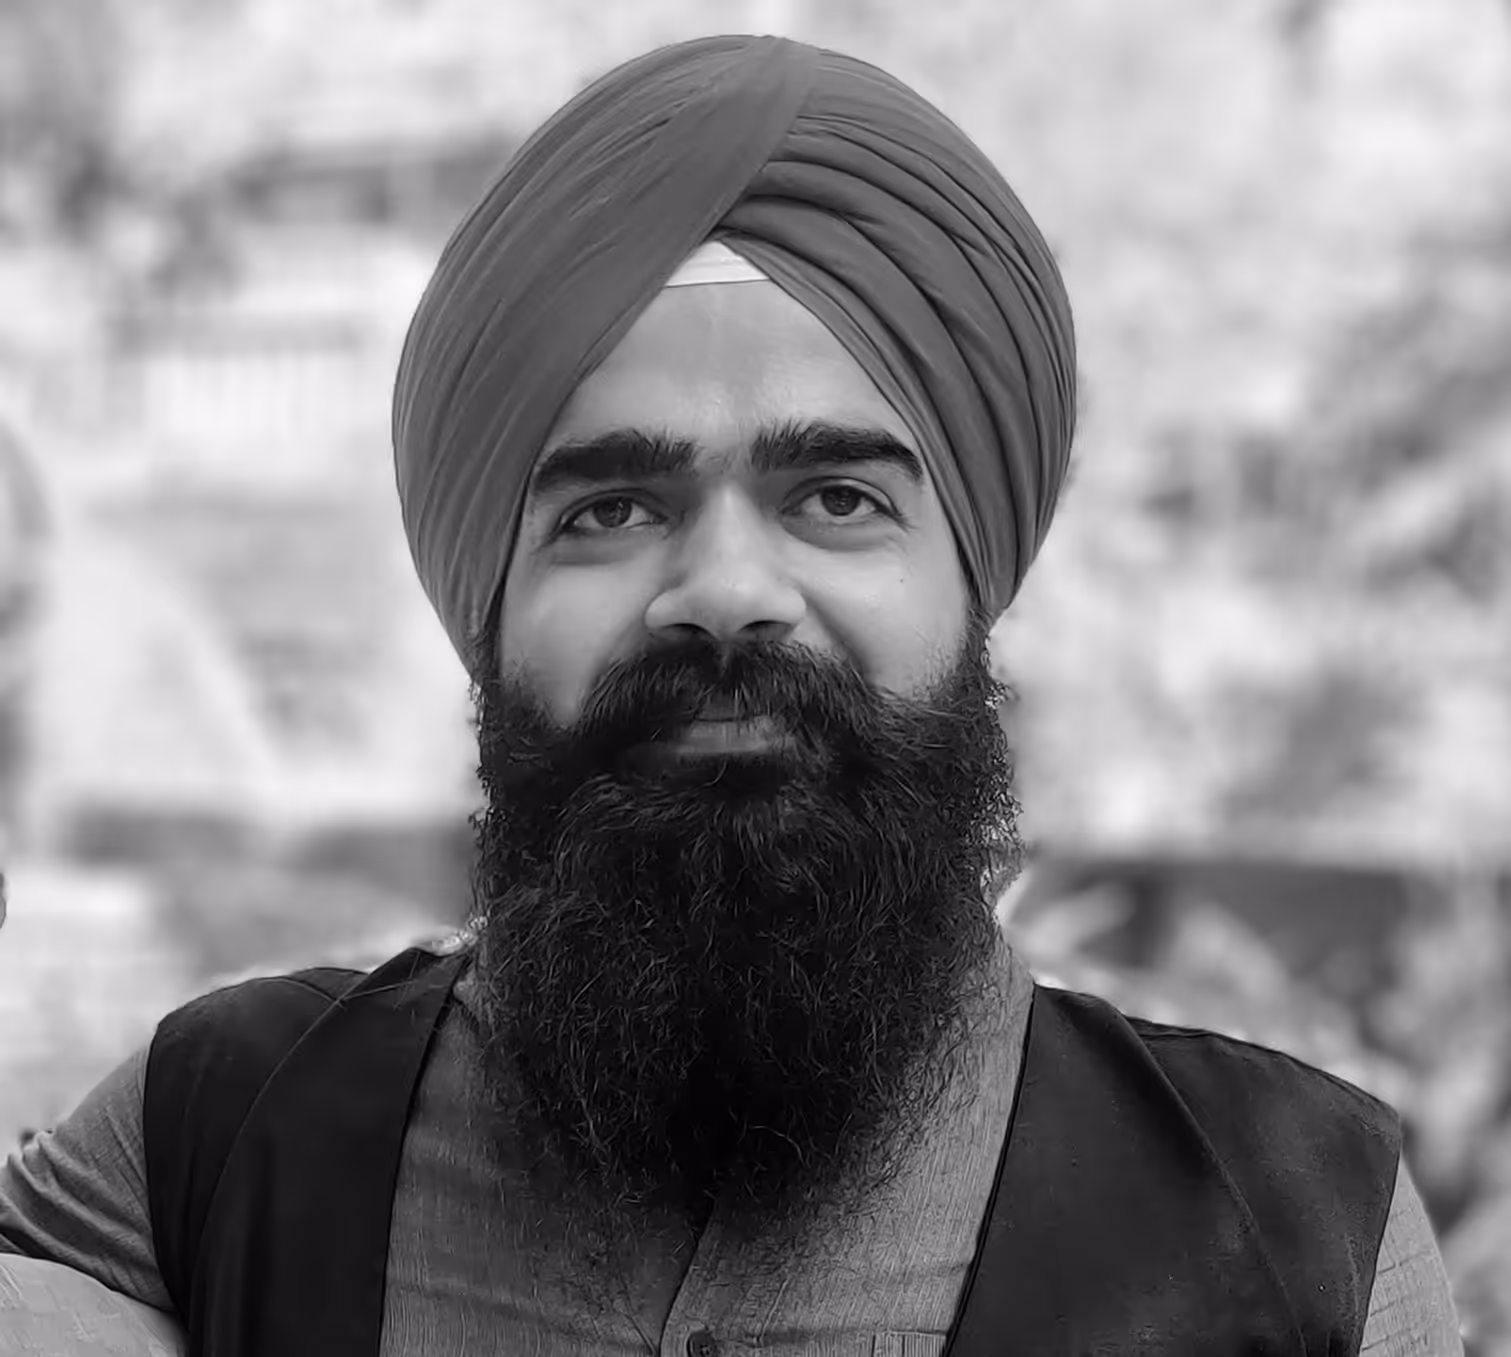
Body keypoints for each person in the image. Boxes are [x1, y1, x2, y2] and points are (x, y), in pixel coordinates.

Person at [0, 34, 1463, 1356]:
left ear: (976, 585)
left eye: (832, 496)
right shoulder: (207, 1151)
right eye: (611, 509)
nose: (724, 587)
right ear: (486, 604)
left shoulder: (1304, 1234)